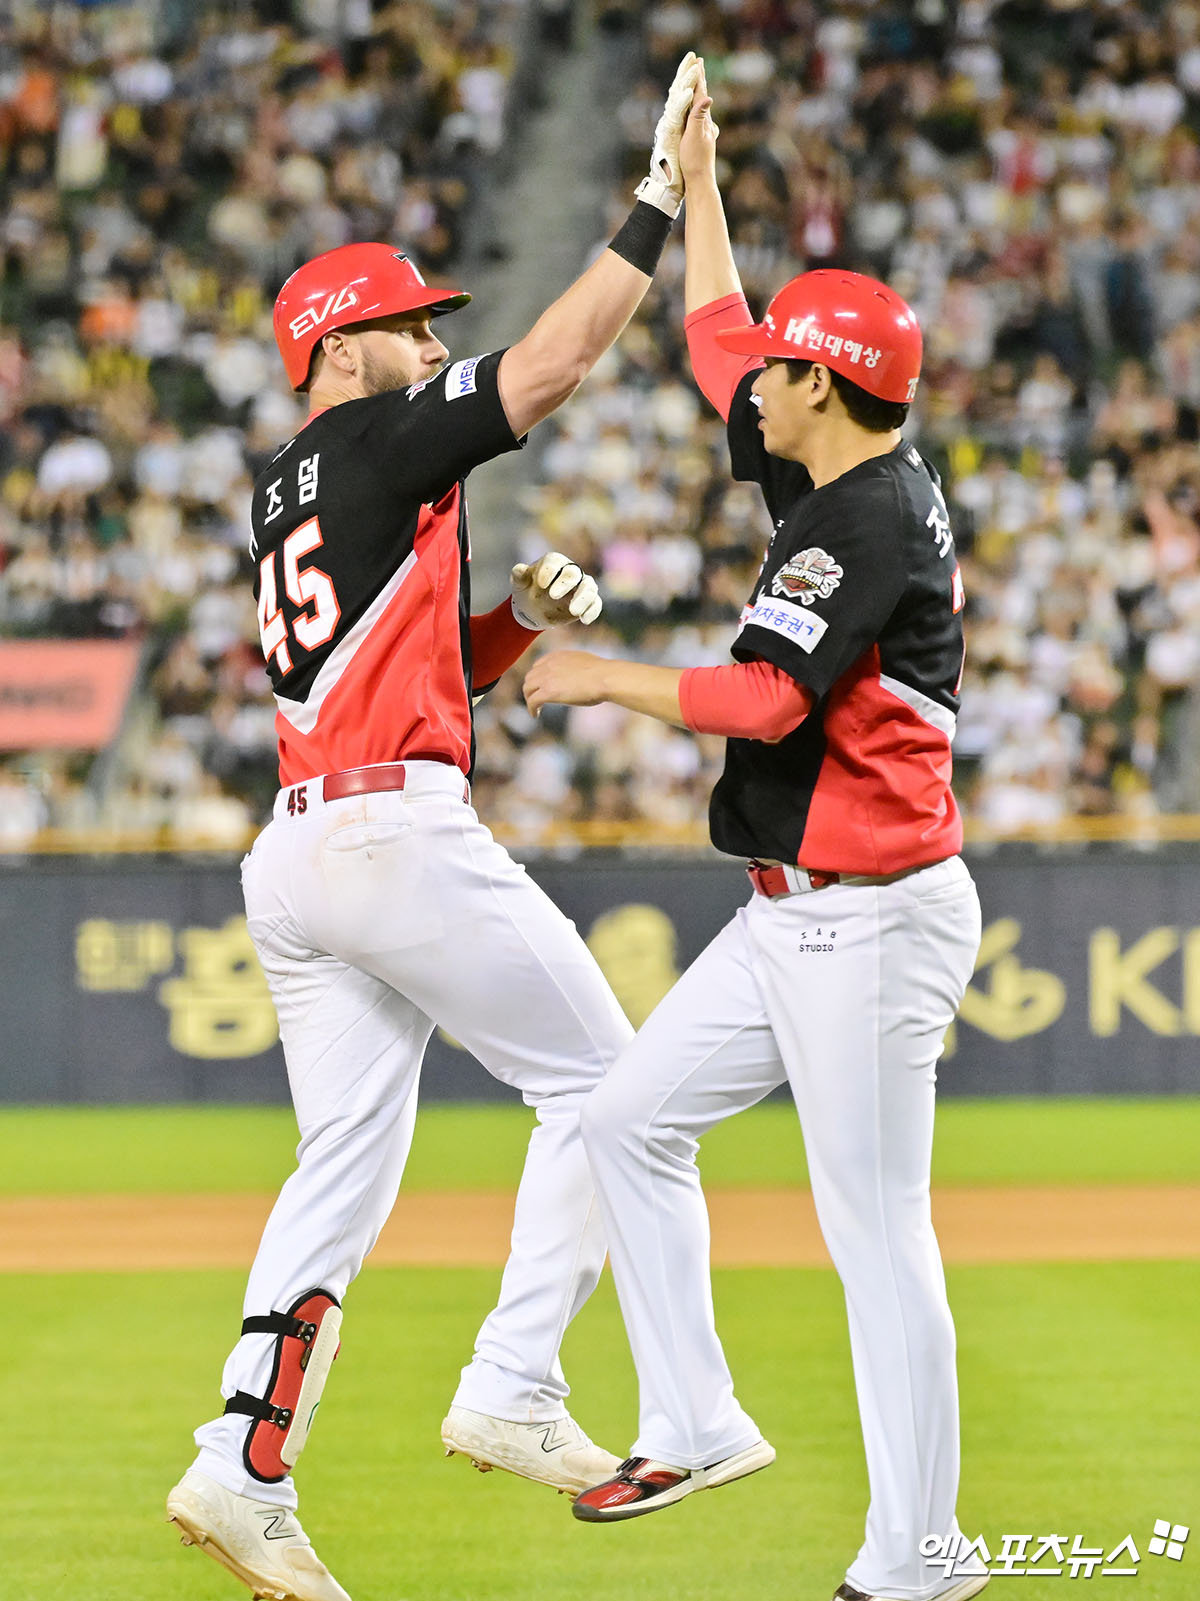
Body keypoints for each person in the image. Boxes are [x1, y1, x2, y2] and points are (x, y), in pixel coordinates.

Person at [165, 54, 704, 1601]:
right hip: (390, 835)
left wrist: (510, 627)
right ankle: (516, 1379)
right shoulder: (373, 435)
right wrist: (657, 201)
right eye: (411, 322)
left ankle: (241, 1460)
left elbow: (399, 671)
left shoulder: (288, 485)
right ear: (340, 348)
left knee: (338, 1164)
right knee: (615, 1089)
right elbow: (555, 362)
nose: (432, 340)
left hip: (303, 849)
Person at [523, 69, 988, 1601]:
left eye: (787, 366)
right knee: (627, 1119)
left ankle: (920, 1557)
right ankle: (698, 1418)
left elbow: (767, 699)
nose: (754, 380)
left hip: (871, 914)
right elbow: (719, 330)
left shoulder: (867, 518)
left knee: (878, 1234)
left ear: (829, 392)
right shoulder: (834, 451)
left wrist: (600, 674)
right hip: (793, 909)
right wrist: (701, 181)